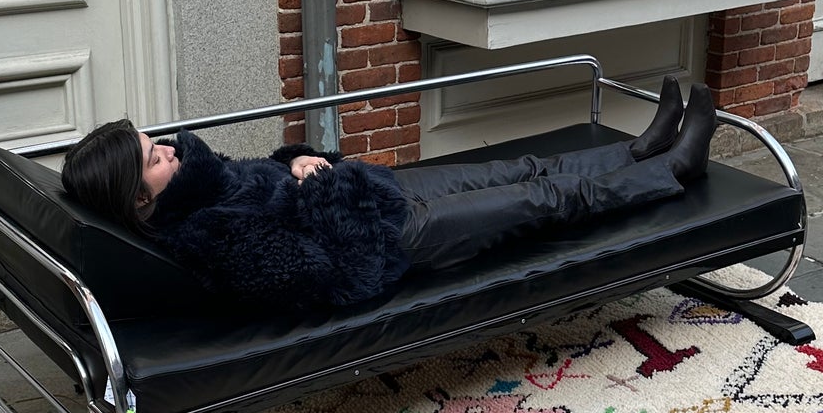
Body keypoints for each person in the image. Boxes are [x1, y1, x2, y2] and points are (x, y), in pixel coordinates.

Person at [59, 77, 717, 315]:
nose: (168, 148)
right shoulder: (204, 236)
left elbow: (267, 176)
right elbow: (324, 276)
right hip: (395, 240)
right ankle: (671, 171)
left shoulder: (197, 179)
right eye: (152, 158)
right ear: (138, 202)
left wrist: (299, 161)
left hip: (380, 190)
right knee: (542, 202)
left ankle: (639, 148)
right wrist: (318, 191)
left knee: (524, 165)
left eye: (156, 141)